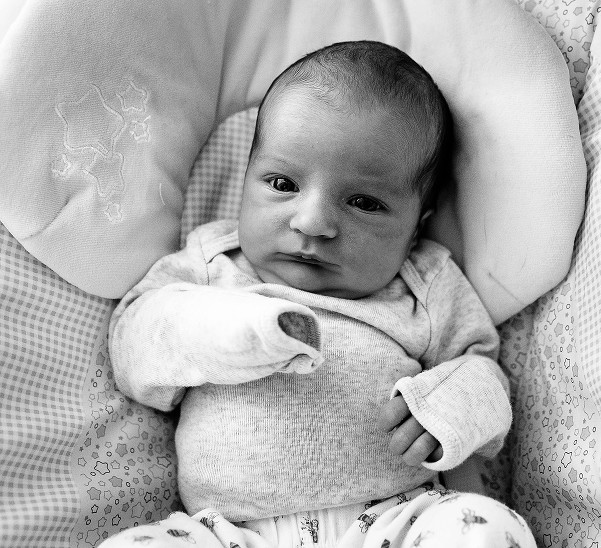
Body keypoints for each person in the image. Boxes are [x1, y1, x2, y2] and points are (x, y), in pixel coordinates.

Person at [102, 41, 535, 548]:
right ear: (245, 179)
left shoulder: (424, 281)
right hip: (229, 532)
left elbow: (484, 370)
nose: (312, 223)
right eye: (282, 183)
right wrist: (226, 334)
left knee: (485, 529)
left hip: (396, 521)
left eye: (363, 202)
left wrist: (450, 408)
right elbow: (133, 344)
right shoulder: (212, 263)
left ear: (416, 227)